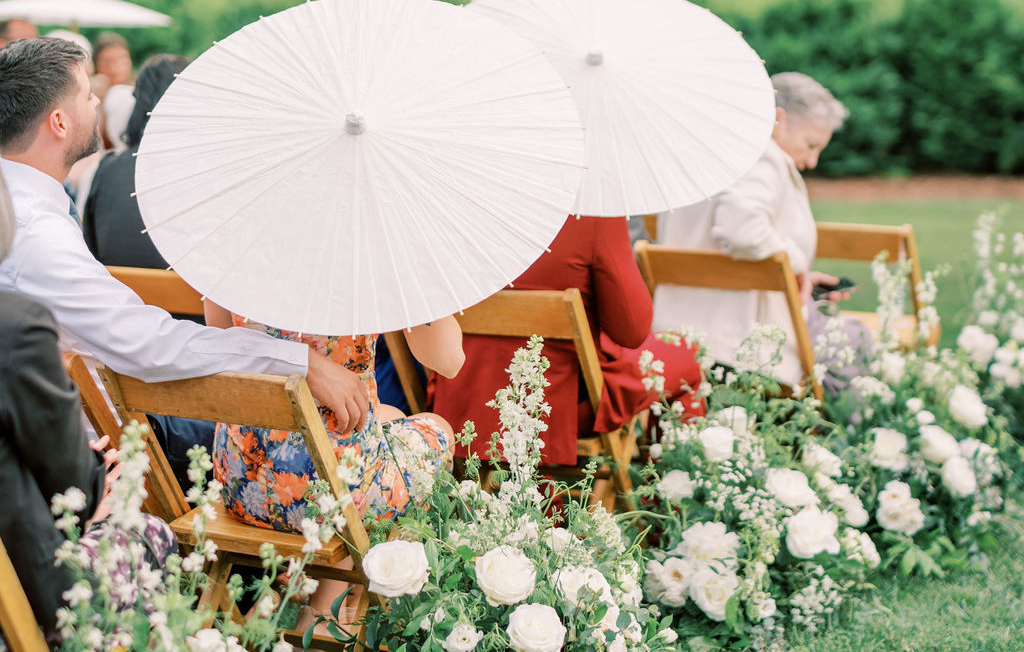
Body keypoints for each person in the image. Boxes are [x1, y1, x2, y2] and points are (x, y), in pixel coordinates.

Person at [0, 37, 370, 435]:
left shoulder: (30, 207)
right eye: (88, 95)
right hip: (109, 433)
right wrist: (301, 361)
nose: (97, 104)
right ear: (59, 122)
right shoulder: (37, 235)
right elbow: (151, 346)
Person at [0, 172, 175, 652]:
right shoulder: (16, 326)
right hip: (26, 616)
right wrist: (103, 483)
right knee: (150, 533)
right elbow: (77, 488)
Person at [430, 214, 705, 467]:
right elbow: (632, 331)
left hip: (461, 401)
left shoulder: (452, 208)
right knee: (688, 355)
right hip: (558, 409)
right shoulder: (590, 213)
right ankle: (672, 501)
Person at [651, 72, 868, 393]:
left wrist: (801, 274)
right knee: (857, 340)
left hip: (678, 327)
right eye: (810, 145)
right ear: (778, 118)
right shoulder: (759, 156)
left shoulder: (703, 153)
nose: (812, 161)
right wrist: (794, 263)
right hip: (734, 339)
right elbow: (742, 230)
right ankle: (838, 437)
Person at [206, 303, 463, 528]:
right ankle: (342, 580)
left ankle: (321, 583)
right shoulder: (365, 258)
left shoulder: (234, 252)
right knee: (437, 427)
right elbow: (449, 360)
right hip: (338, 495)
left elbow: (219, 336)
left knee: (390, 415)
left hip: (238, 478)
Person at [84, 55, 189, 269]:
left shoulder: (107, 169)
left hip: (116, 296)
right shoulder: (205, 171)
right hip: (186, 300)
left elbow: (91, 249)